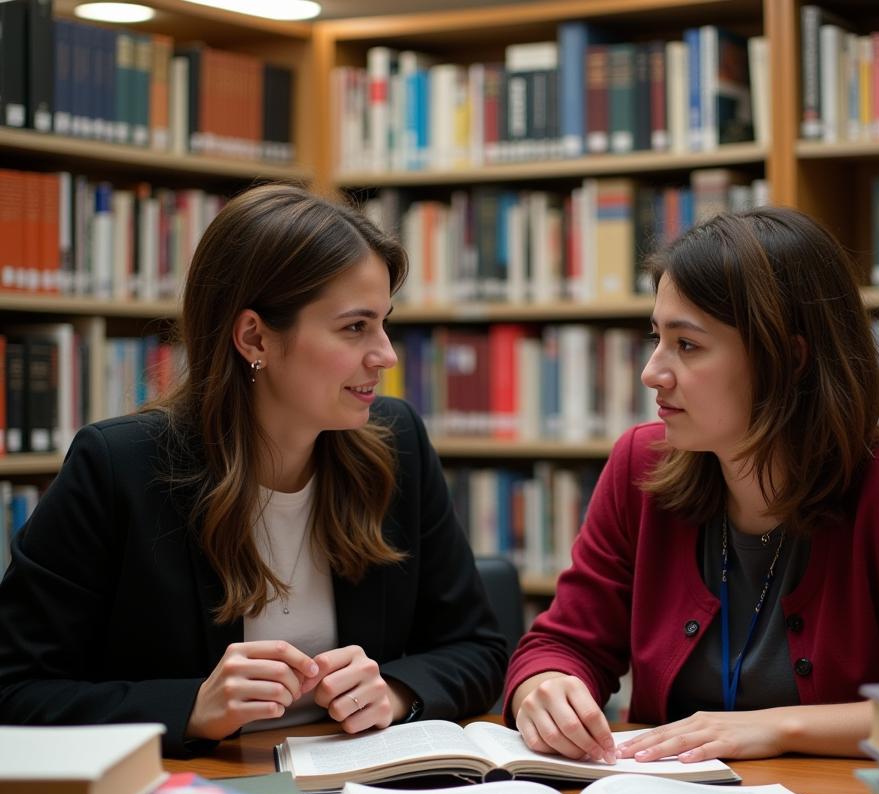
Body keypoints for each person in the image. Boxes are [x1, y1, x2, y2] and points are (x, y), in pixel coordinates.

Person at [505, 207, 879, 766]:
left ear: (789, 358)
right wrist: (546, 687)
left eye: (688, 345)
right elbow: (560, 644)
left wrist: (781, 728)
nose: (652, 372)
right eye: (656, 337)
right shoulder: (641, 467)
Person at [0, 183, 506, 756]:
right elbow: (16, 690)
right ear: (254, 336)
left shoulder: (397, 444)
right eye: (354, 327)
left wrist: (394, 690)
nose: (386, 354)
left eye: (384, 323)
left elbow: (479, 647)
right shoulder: (118, 468)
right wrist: (191, 706)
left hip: (360, 793)